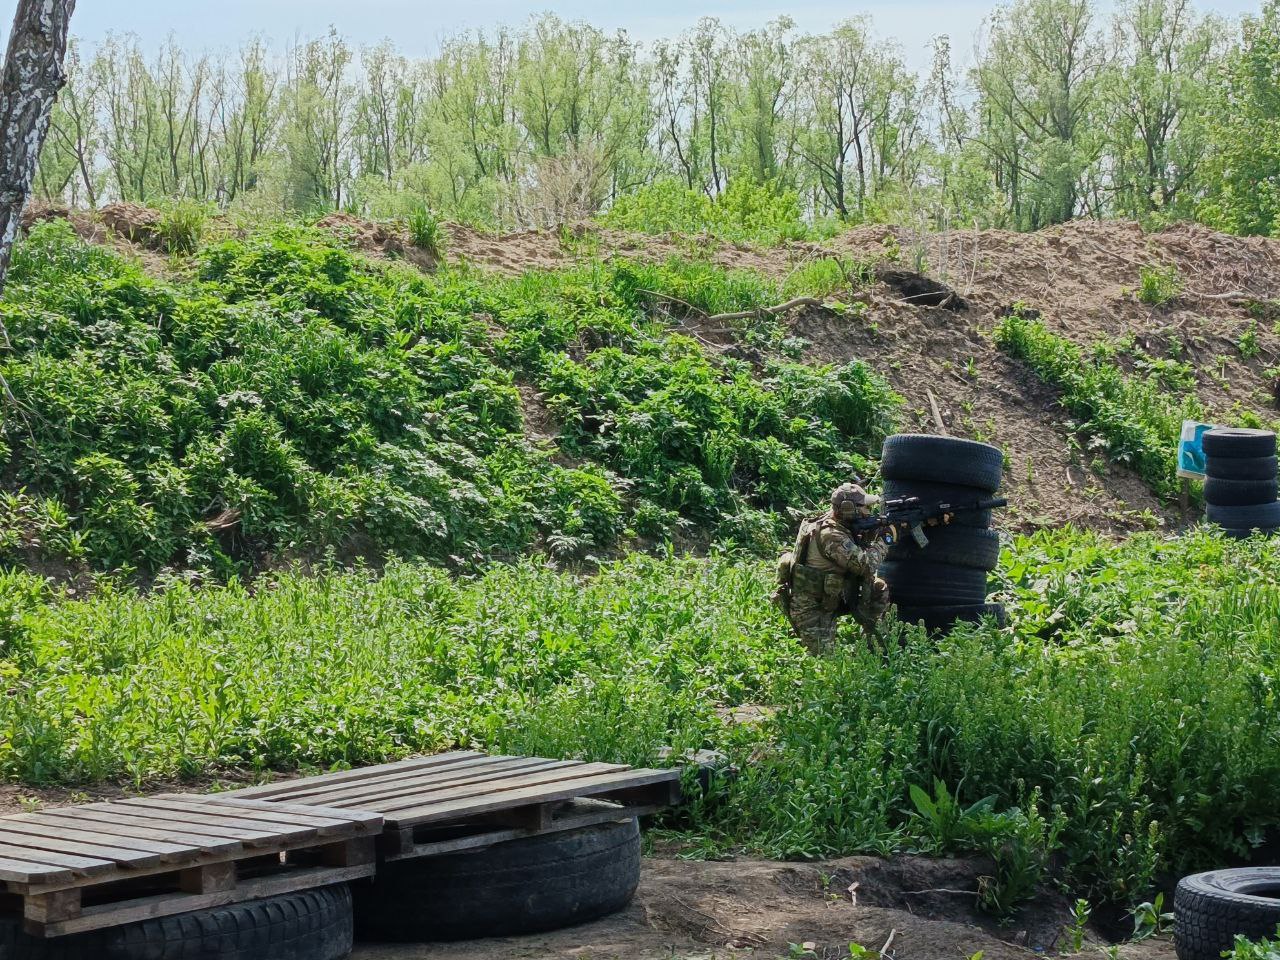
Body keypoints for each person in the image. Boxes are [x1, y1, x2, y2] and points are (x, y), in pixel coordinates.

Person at [774, 483, 893, 654]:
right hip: (813, 606)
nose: (868, 512)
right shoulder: (831, 534)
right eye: (865, 507)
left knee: (877, 588)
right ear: (848, 509)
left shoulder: (842, 525)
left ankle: (874, 647)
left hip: (836, 595)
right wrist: (886, 539)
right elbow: (865, 565)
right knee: (823, 661)